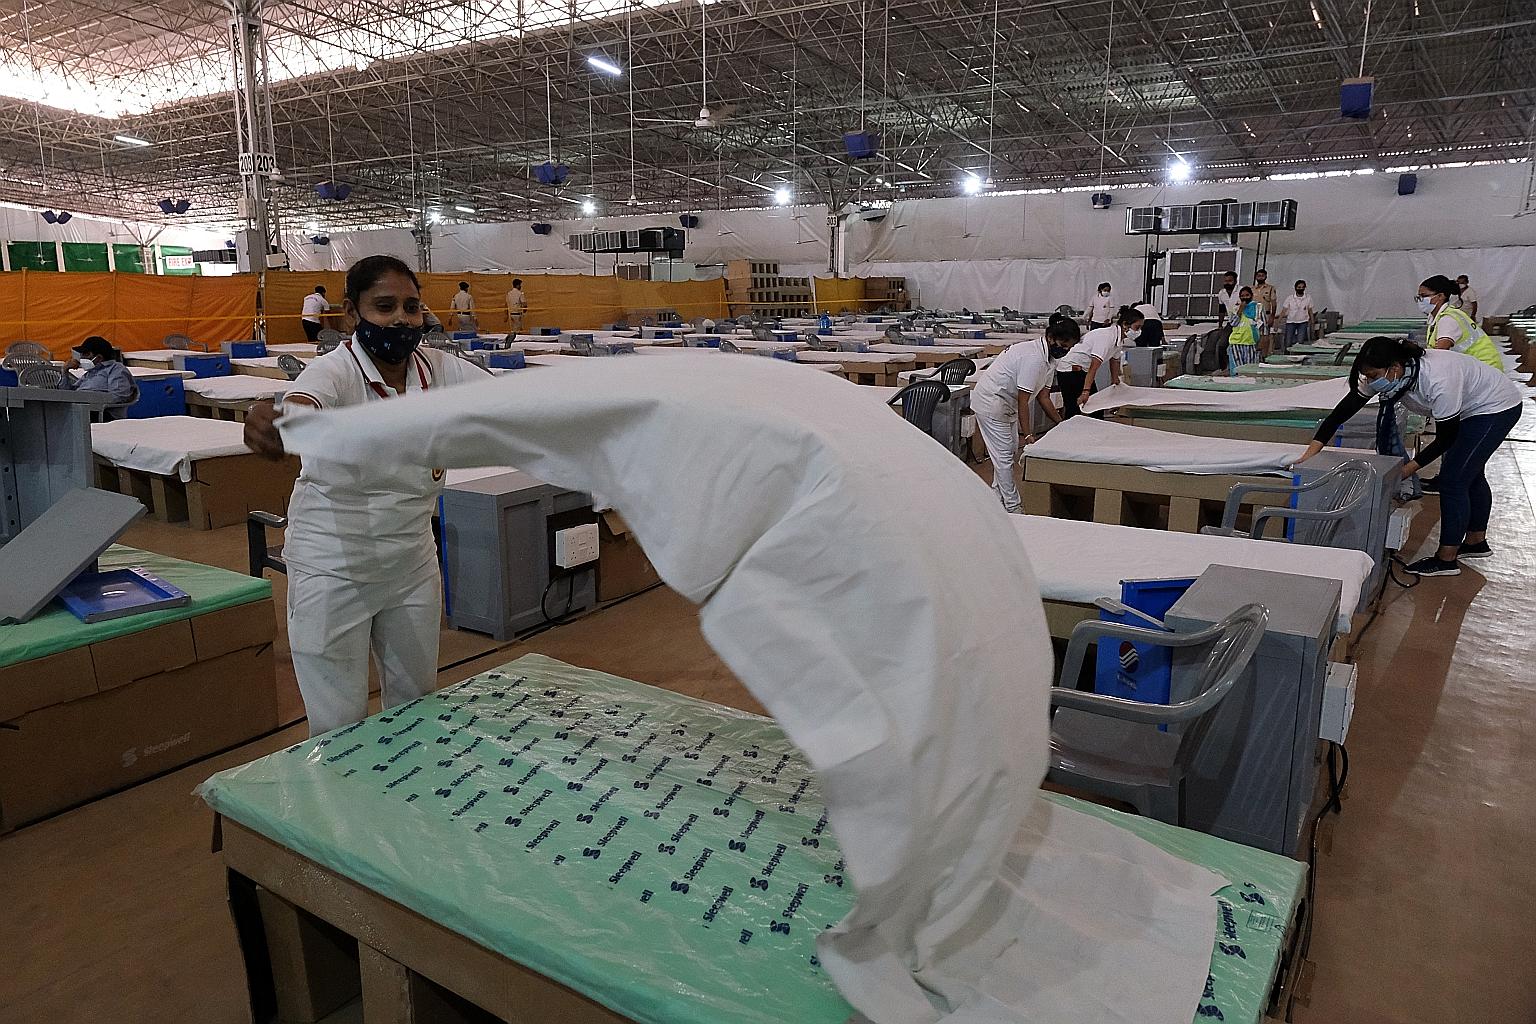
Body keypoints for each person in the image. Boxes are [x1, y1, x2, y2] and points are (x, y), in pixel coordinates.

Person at [242, 255, 493, 735]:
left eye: (411, 307)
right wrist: (275, 416)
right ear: (352, 315)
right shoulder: (334, 372)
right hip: (334, 568)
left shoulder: (437, 369)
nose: (401, 318)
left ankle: (408, 804)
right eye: (384, 306)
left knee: (416, 707)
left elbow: (510, 403)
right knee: (339, 722)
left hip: (411, 564)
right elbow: (303, 405)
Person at [1297, 338, 1524, 576]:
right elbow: (1342, 412)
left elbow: (1445, 439)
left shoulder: (1438, 379)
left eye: (1374, 376)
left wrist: (1407, 469)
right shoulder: (1389, 375)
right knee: (1470, 472)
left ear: (1394, 368)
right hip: (1474, 406)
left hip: (1495, 408)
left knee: (1453, 480)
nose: (1371, 382)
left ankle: (1446, 559)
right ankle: (1476, 542)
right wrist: (1311, 452)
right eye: (1368, 377)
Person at [972, 318, 1071, 512]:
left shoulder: (1050, 360)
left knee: (1008, 451)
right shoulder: (1033, 357)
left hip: (1005, 405)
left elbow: (1044, 397)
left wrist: (1062, 423)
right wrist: (1027, 435)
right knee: (1003, 458)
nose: (1065, 350)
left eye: (1069, 347)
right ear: (1051, 338)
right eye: (1064, 345)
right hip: (991, 402)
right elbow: (1023, 401)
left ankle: (996, 499)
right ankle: (1013, 507)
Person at [1057, 305, 1142, 417]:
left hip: (1083, 371)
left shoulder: (1118, 340)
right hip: (1069, 370)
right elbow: (1094, 366)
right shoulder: (1107, 337)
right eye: (1137, 327)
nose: (1139, 331)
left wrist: (1116, 381)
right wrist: (1086, 391)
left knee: (1096, 408)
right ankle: (1070, 432)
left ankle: (1092, 431)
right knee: (1074, 408)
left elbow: (1115, 360)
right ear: (1125, 324)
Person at [1418, 274, 1502, 372]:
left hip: (1485, 371)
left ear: (1440, 296)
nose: (1420, 300)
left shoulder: (1448, 319)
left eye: (1424, 296)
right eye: (1419, 297)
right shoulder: (1437, 317)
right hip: (1476, 369)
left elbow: (1439, 355)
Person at [65, 336, 136, 415]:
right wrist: (65, 372)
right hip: (81, 409)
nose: (81, 358)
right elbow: (69, 392)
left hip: (102, 413)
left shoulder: (116, 370)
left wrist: (84, 398)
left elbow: (118, 396)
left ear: (99, 358)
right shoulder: (90, 372)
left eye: (86, 354)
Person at [1226, 286, 1263, 373]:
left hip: (1251, 341)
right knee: (1237, 368)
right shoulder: (1235, 309)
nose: (1245, 297)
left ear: (1251, 295)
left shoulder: (1258, 307)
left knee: (1250, 368)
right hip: (1237, 342)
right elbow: (1233, 323)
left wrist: (1261, 342)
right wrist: (1241, 309)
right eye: (1242, 296)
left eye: (1247, 295)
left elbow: (1263, 326)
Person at [1277, 280, 1315, 352]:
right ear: (1295, 288)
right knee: (1288, 341)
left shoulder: (1308, 297)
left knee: (1300, 341)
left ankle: (1298, 356)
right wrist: (1278, 322)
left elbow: (1310, 310)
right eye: (1299, 287)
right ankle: (1286, 356)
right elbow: (1284, 311)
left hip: (1303, 322)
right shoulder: (1290, 298)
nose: (1301, 289)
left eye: (1302, 287)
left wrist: (1312, 321)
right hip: (1291, 322)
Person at [1251, 268, 1277, 354]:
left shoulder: (1270, 288)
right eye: (1258, 276)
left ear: (1266, 277)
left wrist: (1272, 317)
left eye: (1262, 276)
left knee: (1265, 336)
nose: (1260, 277)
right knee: (1254, 335)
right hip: (1253, 316)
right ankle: (1255, 354)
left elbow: (1273, 303)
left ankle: (1264, 355)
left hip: (1266, 315)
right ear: (1255, 277)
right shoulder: (1251, 289)